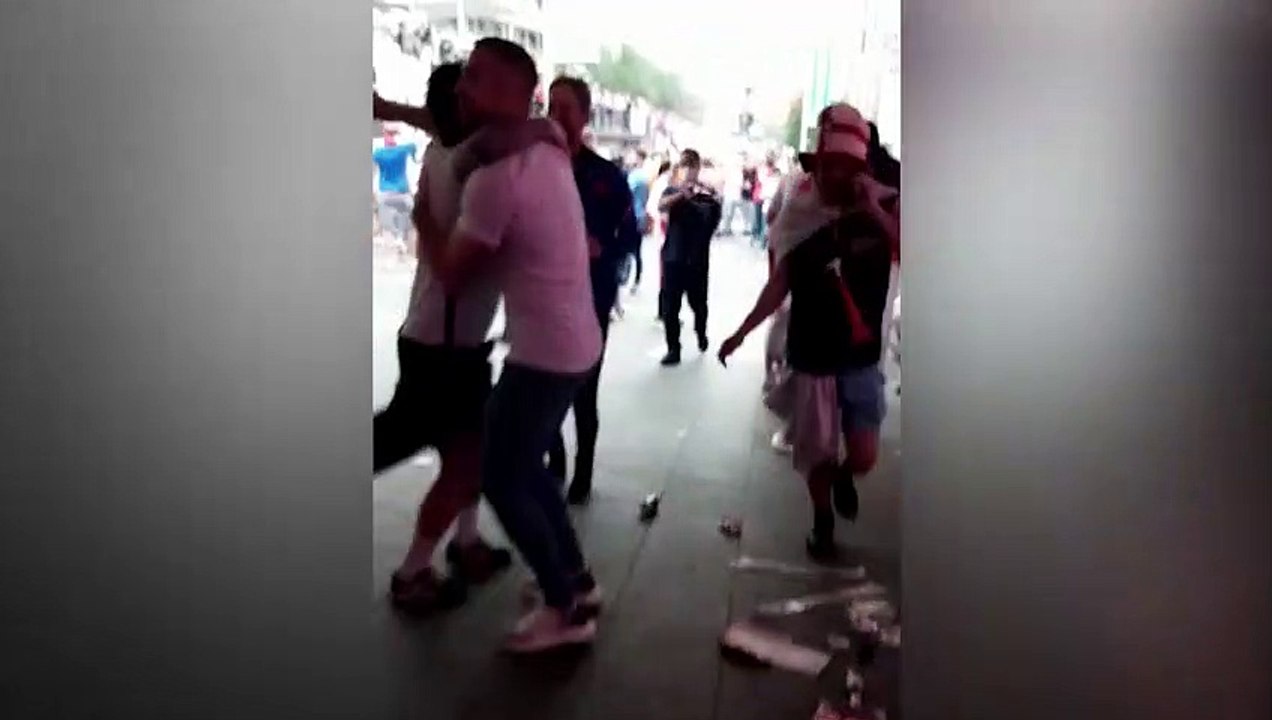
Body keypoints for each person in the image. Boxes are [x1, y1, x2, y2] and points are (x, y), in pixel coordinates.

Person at [420, 38, 603, 654]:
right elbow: (532, 131)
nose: (461, 89)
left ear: (511, 93)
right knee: (525, 465)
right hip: (576, 342)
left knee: (501, 474)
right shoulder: (545, 149)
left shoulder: (498, 177)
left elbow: (451, 274)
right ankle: (576, 577)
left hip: (544, 353)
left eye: (474, 79)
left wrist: (422, 220)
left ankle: (565, 608)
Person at [372, 63, 567, 614]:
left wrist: (388, 109)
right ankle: (414, 572)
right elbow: (517, 137)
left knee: (468, 451)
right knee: (442, 455)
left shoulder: (442, 148)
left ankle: (465, 541)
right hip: (443, 345)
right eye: (472, 96)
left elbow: (437, 119)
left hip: (451, 341)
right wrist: (543, 127)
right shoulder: (466, 167)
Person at [718, 103, 899, 562]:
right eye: (830, 166)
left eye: (849, 167)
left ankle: (842, 480)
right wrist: (742, 331)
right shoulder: (799, 211)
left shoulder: (886, 202)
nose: (837, 176)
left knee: (863, 456)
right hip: (815, 351)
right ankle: (822, 519)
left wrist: (873, 209)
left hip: (860, 354)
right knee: (816, 453)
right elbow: (780, 281)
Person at [543, 75, 641, 505]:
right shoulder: (535, 167)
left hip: (590, 299)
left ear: (584, 117)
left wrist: (606, 249)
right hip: (542, 298)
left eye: (566, 107)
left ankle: (583, 471)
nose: (556, 115)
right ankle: (555, 461)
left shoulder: (606, 176)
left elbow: (631, 234)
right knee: (544, 388)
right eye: (551, 105)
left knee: (585, 391)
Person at [657, 149, 723, 365]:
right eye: (685, 165)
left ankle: (701, 333)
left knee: (698, 304)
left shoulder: (708, 199)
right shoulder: (672, 192)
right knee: (670, 306)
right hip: (673, 258)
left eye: (692, 165)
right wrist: (681, 195)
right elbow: (661, 205)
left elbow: (713, 220)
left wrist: (707, 193)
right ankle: (673, 348)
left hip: (696, 261)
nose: (688, 171)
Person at [372, 123, 419, 256]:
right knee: (407, 213)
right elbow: (414, 149)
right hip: (403, 193)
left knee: (388, 215)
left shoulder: (379, 153)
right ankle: (401, 238)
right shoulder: (402, 150)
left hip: (385, 194)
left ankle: (396, 237)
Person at [625, 149, 653, 293]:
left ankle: (626, 278)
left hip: (632, 216)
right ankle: (636, 280)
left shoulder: (635, 176)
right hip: (641, 215)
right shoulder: (646, 177)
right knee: (637, 251)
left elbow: (626, 194)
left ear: (639, 158)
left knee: (628, 250)